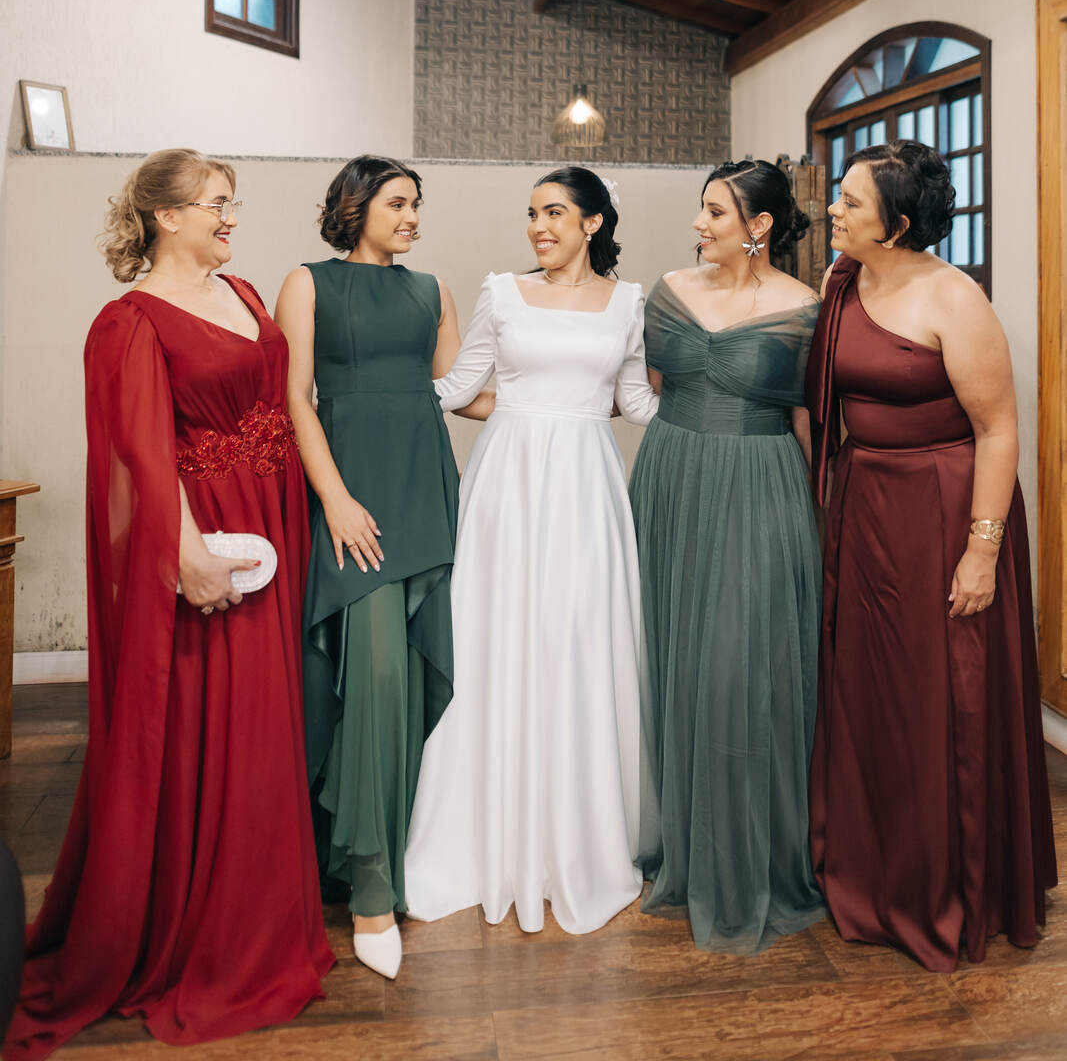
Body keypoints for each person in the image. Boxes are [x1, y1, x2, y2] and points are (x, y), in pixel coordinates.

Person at [6, 150, 332, 1061]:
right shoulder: (131, 321)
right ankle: (207, 931)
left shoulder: (248, 295)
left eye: (232, 203)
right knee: (212, 725)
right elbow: (142, 453)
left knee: (265, 724)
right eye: (217, 204)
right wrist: (188, 554)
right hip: (209, 534)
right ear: (166, 216)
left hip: (272, 524)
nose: (231, 217)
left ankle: (265, 918)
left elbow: (284, 404)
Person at [807, 139, 1056, 971]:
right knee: (870, 691)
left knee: (940, 694)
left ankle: (950, 884)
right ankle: (871, 867)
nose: (833, 209)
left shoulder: (954, 297)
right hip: (865, 503)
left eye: (849, 201)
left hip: (944, 512)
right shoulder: (842, 281)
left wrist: (981, 550)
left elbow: (998, 430)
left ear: (896, 224)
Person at [403, 167, 659, 935]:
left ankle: (578, 840)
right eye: (531, 213)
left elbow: (636, 403)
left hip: (587, 488)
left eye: (553, 212)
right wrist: (368, 395)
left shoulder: (629, 302)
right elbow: (457, 388)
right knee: (499, 641)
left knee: (577, 641)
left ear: (592, 222)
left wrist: (727, 398)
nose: (537, 227)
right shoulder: (500, 293)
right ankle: (482, 835)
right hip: (507, 487)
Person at [275, 156, 483, 981]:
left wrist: (572, 390)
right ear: (356, 206)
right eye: (398, 203)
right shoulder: (308, 283)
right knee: (371, 681)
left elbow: (464, 393)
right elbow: (294, 399)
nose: (412, 217)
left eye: (416, 205)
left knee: (415, 682)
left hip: (424, 494)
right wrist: (334, 499)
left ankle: (402, 859)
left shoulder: (433, 292)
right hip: (351, 498)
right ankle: (367, 887)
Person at [630, 159, 825, 953]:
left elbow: (810, 422)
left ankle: (747, 859)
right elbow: (649, 388)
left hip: (760, 488)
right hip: (670, 483)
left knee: (739, 672)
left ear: (759, 225)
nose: (698, 224)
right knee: (671, 662)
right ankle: (678, 839)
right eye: (701, 209)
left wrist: (816, 525)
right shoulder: (668, 291)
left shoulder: (806, 309)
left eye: (714, 212)